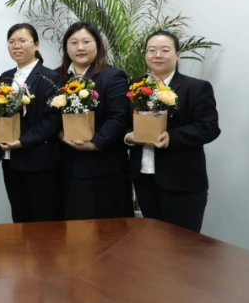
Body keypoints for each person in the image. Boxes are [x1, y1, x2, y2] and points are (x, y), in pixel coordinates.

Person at [125, 31, 220, 232]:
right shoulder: (135, 86)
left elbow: (209, 127)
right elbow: (124, 122)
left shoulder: (195, 87)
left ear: (178, 55)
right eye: (151, 50)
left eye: (165, 50)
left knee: (182, 245)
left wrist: (172, 137)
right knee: (152, 242)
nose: (157, 55)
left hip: (182, 181)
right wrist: (129, 137)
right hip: (144, 179)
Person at [58, 21, 131, 220]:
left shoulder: (112, 76)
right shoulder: (57, 76)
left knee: (105, 230)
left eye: (86, 42)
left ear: (98, 45)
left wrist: (95, 143)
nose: (80, 48)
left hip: (102, 167)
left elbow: (118, 117)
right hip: (64, 167)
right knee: (69, 230)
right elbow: (50, 115)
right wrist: (59, 132)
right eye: (73, 42)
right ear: (66, 47)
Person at [0, 24, 62, 223]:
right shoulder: (5, 77)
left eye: (23, 41)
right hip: (10, 158)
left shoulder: (50, 77)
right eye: (12, 42)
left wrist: (22, 141)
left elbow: (53, 119)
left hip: (38, 158)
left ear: (36, 45)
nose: (17, 46)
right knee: (19, 214)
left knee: (42, 217)